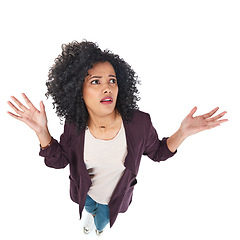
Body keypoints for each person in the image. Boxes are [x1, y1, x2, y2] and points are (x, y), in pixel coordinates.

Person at [7, 40, 228, 236]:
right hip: (83, 192)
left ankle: (98, 228)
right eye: (95, 82)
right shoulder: (74, 125)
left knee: (103, 221)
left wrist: (183, 132)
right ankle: (87, 220)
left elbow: (158, 153)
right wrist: (41, 131)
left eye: (112, 80)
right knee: (88, 207)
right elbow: (59, 161)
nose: (107, 88)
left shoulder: (139, 123)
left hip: (115, 199)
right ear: (78, 91)